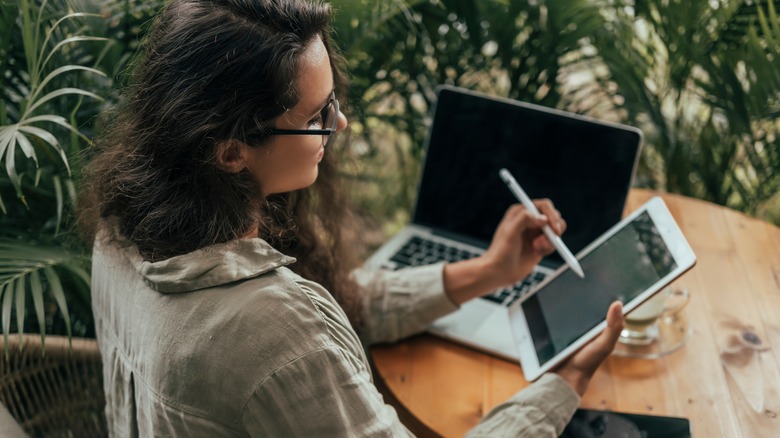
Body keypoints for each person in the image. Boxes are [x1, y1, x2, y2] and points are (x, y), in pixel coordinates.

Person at [78, 0, 625, 436]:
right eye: (316, 116)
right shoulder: (272, 330)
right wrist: (565, 381)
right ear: (230, 152)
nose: (340, 123)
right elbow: (288, 346)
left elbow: (334, 313)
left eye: (332, 100)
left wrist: (486, 272)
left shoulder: (122, 231)